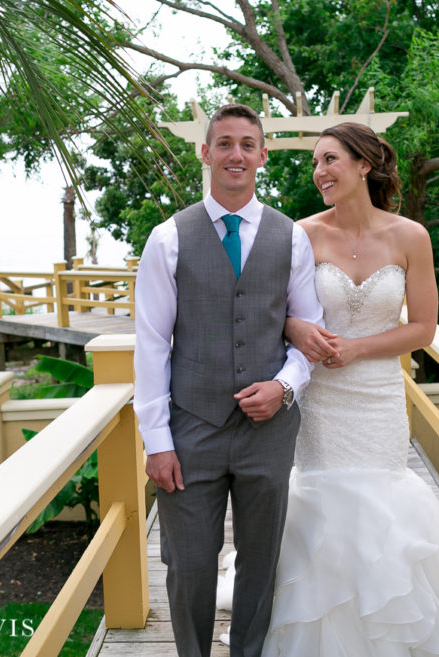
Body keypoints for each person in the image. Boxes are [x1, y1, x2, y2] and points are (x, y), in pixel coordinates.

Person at [262, 122, 439, 655]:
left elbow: (424, 329)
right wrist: (299, 330)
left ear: (364, 164)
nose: (319, 172)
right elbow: (274, 312)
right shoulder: (303, 235)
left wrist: (359, 348)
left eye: (330, 159)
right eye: (315, 163)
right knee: (325, 506)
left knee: (383, 503)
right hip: (321, 403)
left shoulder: (411, 237)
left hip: (379, 398)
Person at [132, 103, 325, 657]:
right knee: (188, 564)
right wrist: (158, 441)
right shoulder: (168, 238)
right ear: (206, 153)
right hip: (192, 428)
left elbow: (308, 335)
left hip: (269, 430)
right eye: (224, 144)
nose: (235, 154)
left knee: (261, 563)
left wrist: (283, 387)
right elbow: (150, 344)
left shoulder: (291, 238)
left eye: (247, 144)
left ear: (262, 155)